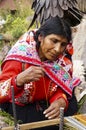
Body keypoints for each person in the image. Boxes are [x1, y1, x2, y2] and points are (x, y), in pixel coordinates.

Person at [0, 16, 81, 129]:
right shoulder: (20, 56)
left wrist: (60, 101)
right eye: (54, 41)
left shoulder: (63, 61)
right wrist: (19, 80)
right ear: (41, 37)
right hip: (21, 105)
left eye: (63, 44)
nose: (58, 49)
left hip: (45, 104)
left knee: (70, 104)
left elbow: (61, 88)